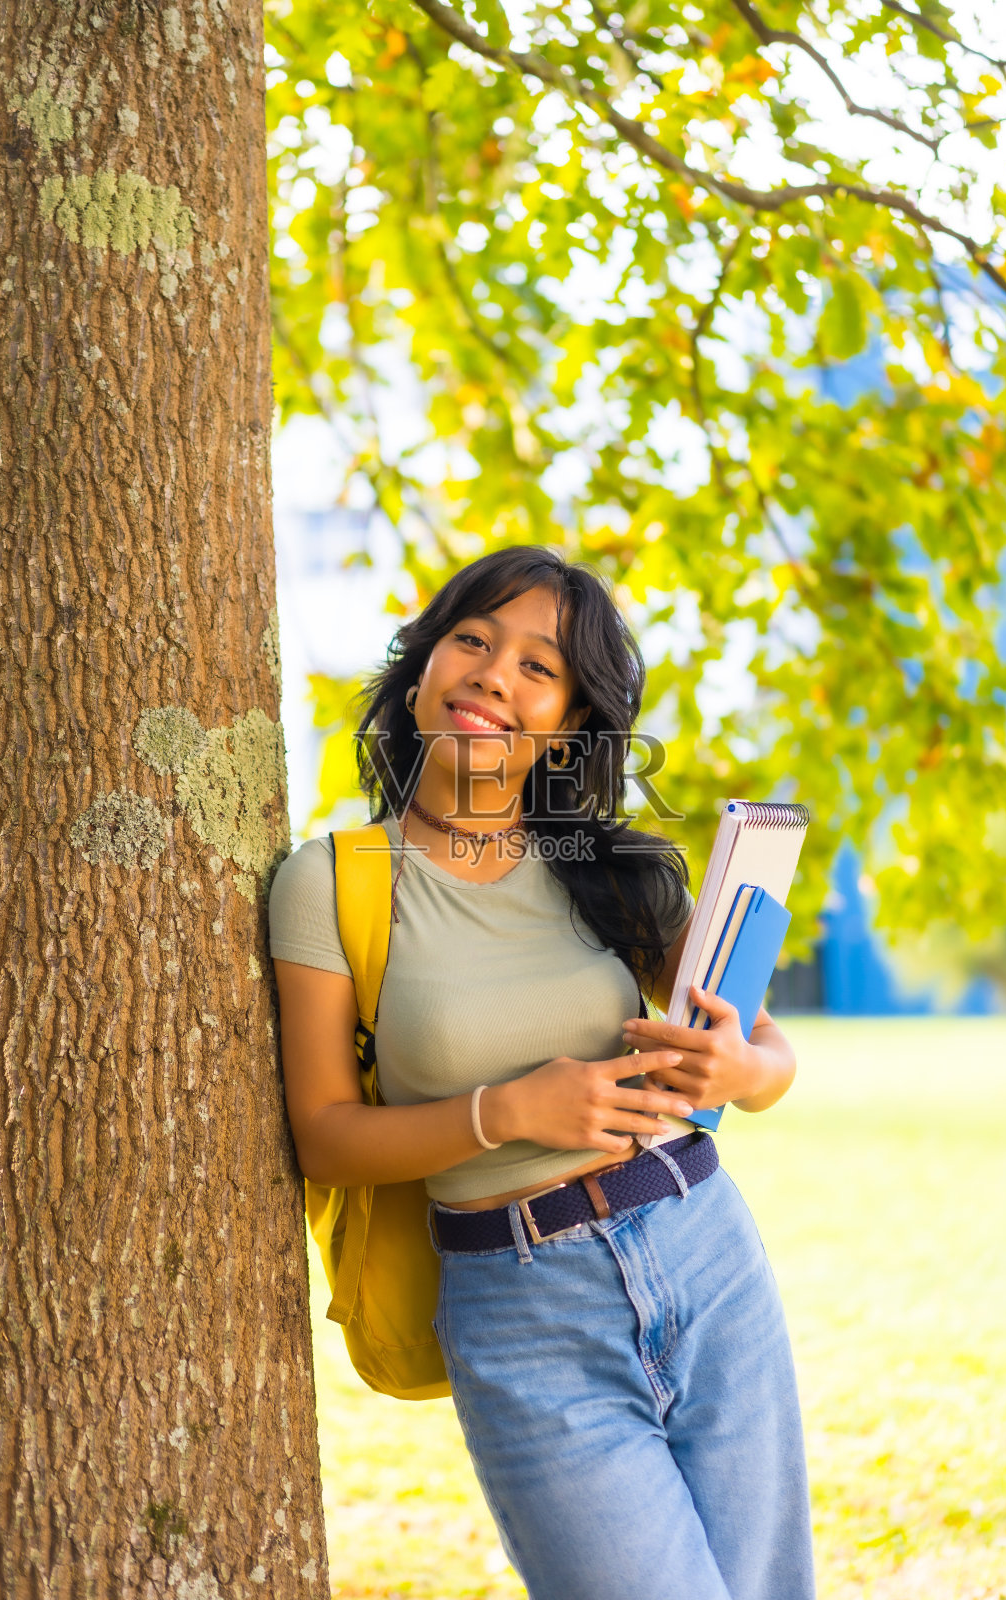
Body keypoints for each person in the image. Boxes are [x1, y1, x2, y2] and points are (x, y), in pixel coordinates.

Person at [269, 545, 816, 1600]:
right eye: (471, 641)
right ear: (422, 666)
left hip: (702, 1252)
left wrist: (734, 1062)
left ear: (567, 723)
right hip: (520, 1309)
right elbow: (325, 1132)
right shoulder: (331, 883)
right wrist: (506, 1109)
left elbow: (770, 1057)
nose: (491, 676)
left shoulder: (615, 872)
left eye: (537, 666)